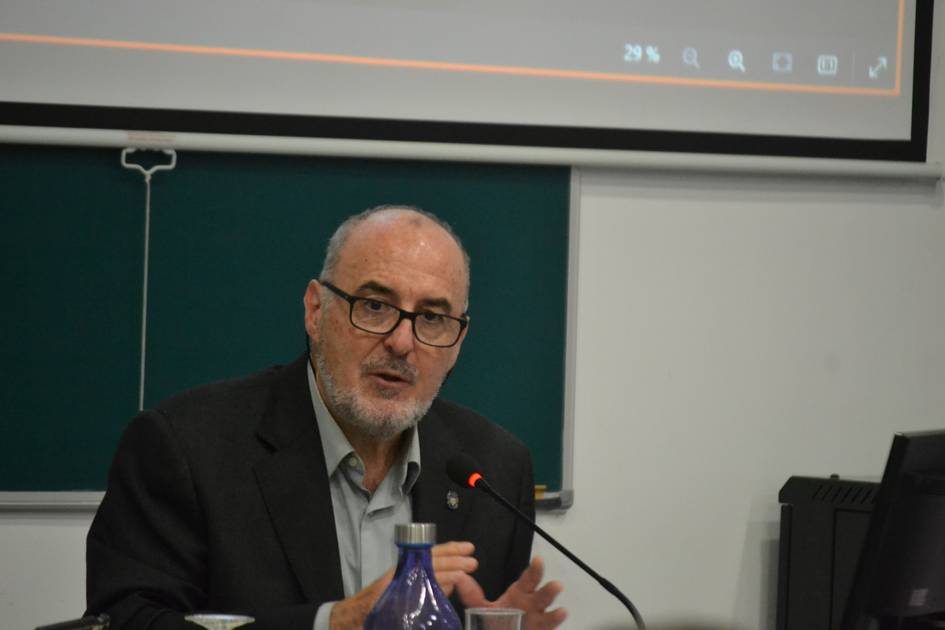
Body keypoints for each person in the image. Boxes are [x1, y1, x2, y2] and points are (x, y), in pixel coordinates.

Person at [86, 206, 568, 630]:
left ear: (458, 342)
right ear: (316, 311)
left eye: (432, 318)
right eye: (375, 307)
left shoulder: (494, 469)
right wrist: (333, 624)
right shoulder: (186, 448)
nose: (402, 342)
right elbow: (129, 621)